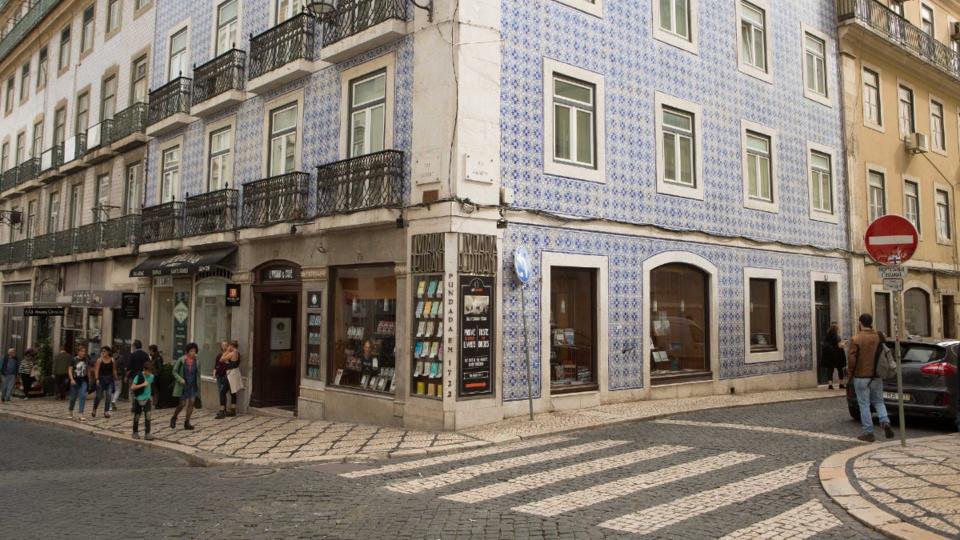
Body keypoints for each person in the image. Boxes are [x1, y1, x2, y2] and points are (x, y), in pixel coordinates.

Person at [847, 313, 895, 442]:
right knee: (879, 401)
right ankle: (885, 421)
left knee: (864, 405)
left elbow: (851, 359)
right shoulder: (879, 336)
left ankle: (868, 432)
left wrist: (850, 374)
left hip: (861, 376)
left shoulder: (856, 339)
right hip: (877, 376)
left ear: (860, 323)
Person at [170, 342, 200, 430]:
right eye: (191, 351)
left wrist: (199, 387)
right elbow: (174, 372)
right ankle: (174, 417)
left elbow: (198, 374)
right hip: (183, 385)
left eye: (194, 351)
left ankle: (187, 422)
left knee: (191, 402)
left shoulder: (197, 361)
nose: (193, 353)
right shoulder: (181, 360)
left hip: (193, 385)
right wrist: (180, 379)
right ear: (187, 352)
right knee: (182, 404)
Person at [215, 341, 240, 419]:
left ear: (231, 346)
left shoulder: (232, 353)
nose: (228, 347)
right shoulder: (238, 353)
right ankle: (233, 410)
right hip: (235, 373)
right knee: (233, 392)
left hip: (230, 374)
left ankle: (222, 411)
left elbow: (221, 359)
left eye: (229, 346)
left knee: (222, 392)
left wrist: (227, 351)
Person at [130, 361, 155, 440]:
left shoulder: (151, 376)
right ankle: (135, 432)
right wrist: (143, 384)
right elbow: (132, 387)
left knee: (148, 416)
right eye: (148, 371)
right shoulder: (139, 376)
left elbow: (150, 386)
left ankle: (147, 433)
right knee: (137, 416)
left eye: (151, 371)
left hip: (147, 399)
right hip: (138, 399)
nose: (149, 373)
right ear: (144, 369)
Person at [91, 346, 118, 418]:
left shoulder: (112, 360)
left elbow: (114, 370)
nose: (103, 352)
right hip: (101, 380)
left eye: (104, 351)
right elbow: (96, 370)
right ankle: (94, 409)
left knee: (109, 395)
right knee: (98, 396)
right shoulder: (99, 360)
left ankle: (106, 411)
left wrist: (116, 378)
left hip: (109, 380)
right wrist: (97, 379)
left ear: (108, 352)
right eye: (102, 351)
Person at [67, 346, 90, 421]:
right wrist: (72, 379)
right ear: (78, 352)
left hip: (83, 380)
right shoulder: (73, 360)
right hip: (75, 380)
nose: (84, 353)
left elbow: (87, 369)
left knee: (83, 396)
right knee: (73, 398)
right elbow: (70, 370)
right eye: (82, 351)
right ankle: (70, 411)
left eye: (84, 351)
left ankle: (81, 414)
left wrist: (89, 378)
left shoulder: (86, 359)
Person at [822, 322, 846, 390]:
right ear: (836, 329)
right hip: (837, 355)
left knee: (830, 369)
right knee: (840, 369)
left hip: (829, 355)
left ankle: (830, 385)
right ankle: (841, 384)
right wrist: (844, 344)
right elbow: (839, 346)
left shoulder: (827, 336)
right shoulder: (837, 336)